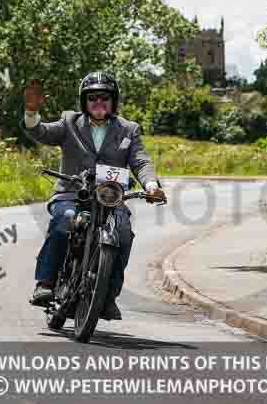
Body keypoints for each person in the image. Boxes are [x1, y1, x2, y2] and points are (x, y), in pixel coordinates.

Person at [20, 71, 165, 321]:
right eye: (93, 98)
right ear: (84, 101)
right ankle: (46, 282)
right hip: (72, 194)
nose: (99, 102)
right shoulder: (69, 122)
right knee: (65, 220)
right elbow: (41, 132)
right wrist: (31, 113)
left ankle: (107, 297)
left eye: (105, 97)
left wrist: (151, 185)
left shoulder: (129, 130)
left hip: (110, 198)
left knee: (123, 233)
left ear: (114, 100)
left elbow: (140, 161)